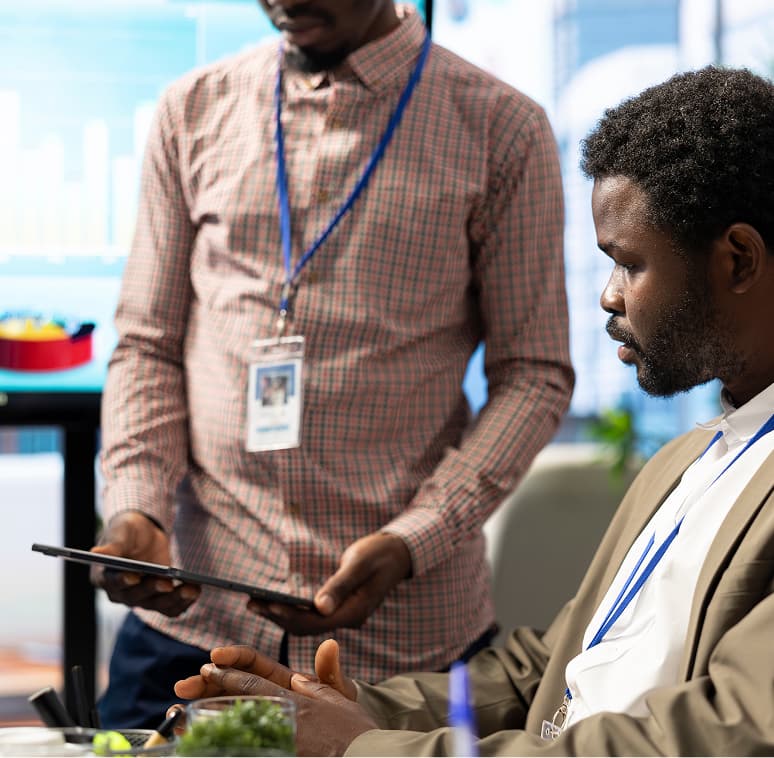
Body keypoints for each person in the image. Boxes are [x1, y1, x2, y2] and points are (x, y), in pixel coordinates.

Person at [172, 65, 774, 756]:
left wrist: (362, 749)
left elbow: (724, 736)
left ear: (738, 260)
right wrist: (342, 707)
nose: (609, 296)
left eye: (629, 264)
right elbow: (547, 672)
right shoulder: (691, 461)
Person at [91, 0, 573, 728]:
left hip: (404, 647)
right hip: (194, 628)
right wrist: (137, 505)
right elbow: (148, 344)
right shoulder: (191, 108)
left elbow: (534, 373)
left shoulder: (502, 128)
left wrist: (415, 539)